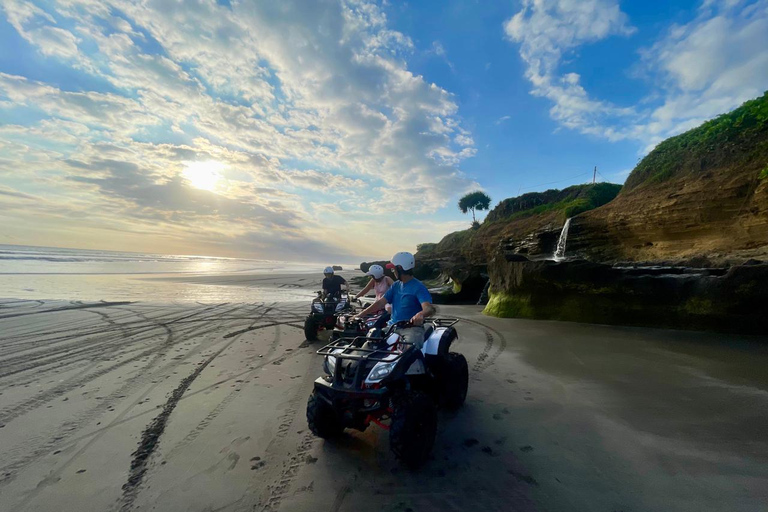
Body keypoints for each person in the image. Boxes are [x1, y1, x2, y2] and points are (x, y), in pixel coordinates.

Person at [356, 252, 435, 349]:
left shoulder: (419, 287)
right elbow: (380, 302)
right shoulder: (396, 285)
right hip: (392, 326)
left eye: (393, 268)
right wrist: (361, 314)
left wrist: (421, 314)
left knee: (410, 352)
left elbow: (428, 308)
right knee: (368, 346)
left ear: (400, 268)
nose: (393, 271)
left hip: (411, 329)